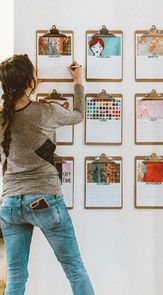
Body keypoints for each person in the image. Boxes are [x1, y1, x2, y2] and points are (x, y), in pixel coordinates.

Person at [0, 54, 95, 295]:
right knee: (74, 267)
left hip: (9, 204)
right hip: (44, 200)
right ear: (31, 81)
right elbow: (78, 115)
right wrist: (77, 81)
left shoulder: (2, 118)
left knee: (16, 275)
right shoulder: (46, 112)